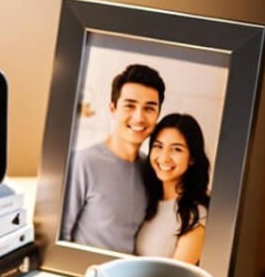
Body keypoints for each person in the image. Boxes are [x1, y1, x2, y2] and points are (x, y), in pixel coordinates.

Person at [60, 63, 165, 251]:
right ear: (113, 109)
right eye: (130, 106)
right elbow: (60, 239)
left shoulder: (149, 170)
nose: (139, 117)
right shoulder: (82, 163)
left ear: (158, 115)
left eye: (149, 108)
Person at [135, 113, 211, 264]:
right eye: (158, 146)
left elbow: (177, 276)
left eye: (176, 149)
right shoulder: (149, 199)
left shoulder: (196, 215)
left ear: (192, 158)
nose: (164, 157)